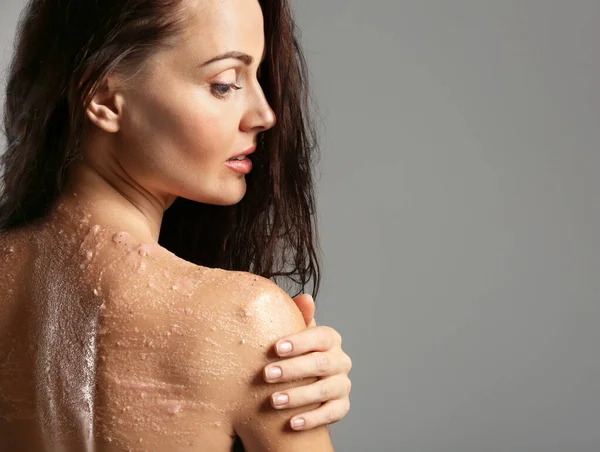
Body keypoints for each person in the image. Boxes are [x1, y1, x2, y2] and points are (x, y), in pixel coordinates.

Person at [0, 0, 353, 450]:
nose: (265, 114)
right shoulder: (245, 318)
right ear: (106, 99)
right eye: (225, 85)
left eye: (257, 77)